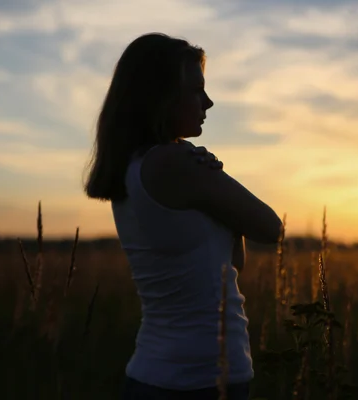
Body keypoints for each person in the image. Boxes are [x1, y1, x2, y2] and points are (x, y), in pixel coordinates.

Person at [83, 32, 283, 400]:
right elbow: (271, 227)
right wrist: (215, 176)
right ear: (159, 97)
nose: (208, 102)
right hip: (196, 382)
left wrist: (214, 192)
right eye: (195, 90)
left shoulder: (137, 166)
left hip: (163, 375)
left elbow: (233, 263)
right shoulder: (172, 162)